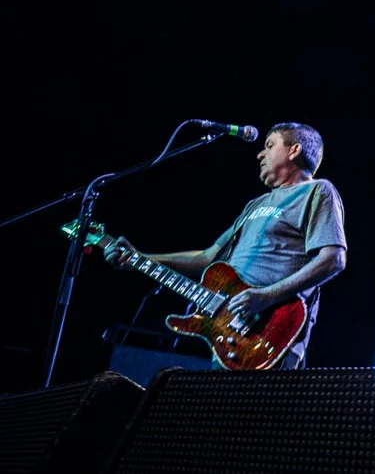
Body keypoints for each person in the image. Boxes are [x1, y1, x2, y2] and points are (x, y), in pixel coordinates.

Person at [104, 122, 348, 369]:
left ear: (294, 150)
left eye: (270, 145)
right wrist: (140, 258)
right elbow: (207, 257)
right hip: (230, 335)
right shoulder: (255, 205)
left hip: (270, 334)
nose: (260, 154)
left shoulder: (317, 190)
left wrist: (265, 297)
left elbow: (333, 259)